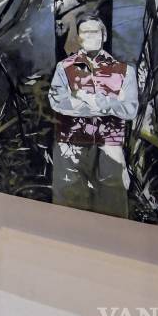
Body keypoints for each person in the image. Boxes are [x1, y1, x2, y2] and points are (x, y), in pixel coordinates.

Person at [48, 13, 139, 217]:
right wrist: (108, 104)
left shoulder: (125, 71)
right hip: (70, 143)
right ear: (78, 37)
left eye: (94, 31)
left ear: (104, 35)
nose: (89, 36)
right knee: (69, 207)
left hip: (110, 143)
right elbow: (57, 102)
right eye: (84, 32)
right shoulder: (64, 68)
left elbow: (130, 109)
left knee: (112, 206)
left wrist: (85, 98)